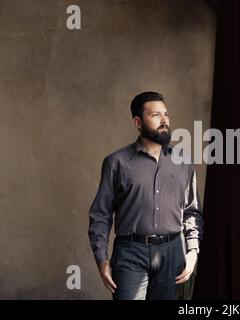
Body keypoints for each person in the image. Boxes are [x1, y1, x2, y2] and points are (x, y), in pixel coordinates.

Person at [88, 91, 204, 300]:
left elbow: (191, 211)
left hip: (172, 252)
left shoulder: (183, 162)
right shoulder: (117, 163)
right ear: (138, 122)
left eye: (166, 114)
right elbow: (100, 214)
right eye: (156, 115)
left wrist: (193, 250)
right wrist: (101, 259)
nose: (164, 120)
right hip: (130, 253)